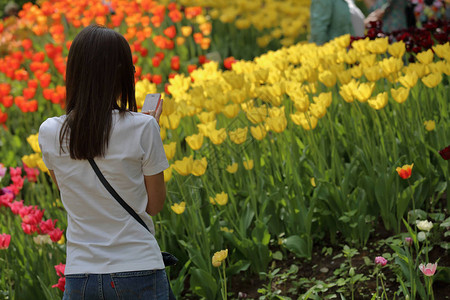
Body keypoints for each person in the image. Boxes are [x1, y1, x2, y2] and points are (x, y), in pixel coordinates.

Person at [38, 25, 170, 299]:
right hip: (139, 267)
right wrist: (150, 128)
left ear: (74, 74)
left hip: (80, 275)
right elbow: (154, 205)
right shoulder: (143, 128)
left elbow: (69, 193)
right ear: (120, 75)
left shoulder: (50, 131)